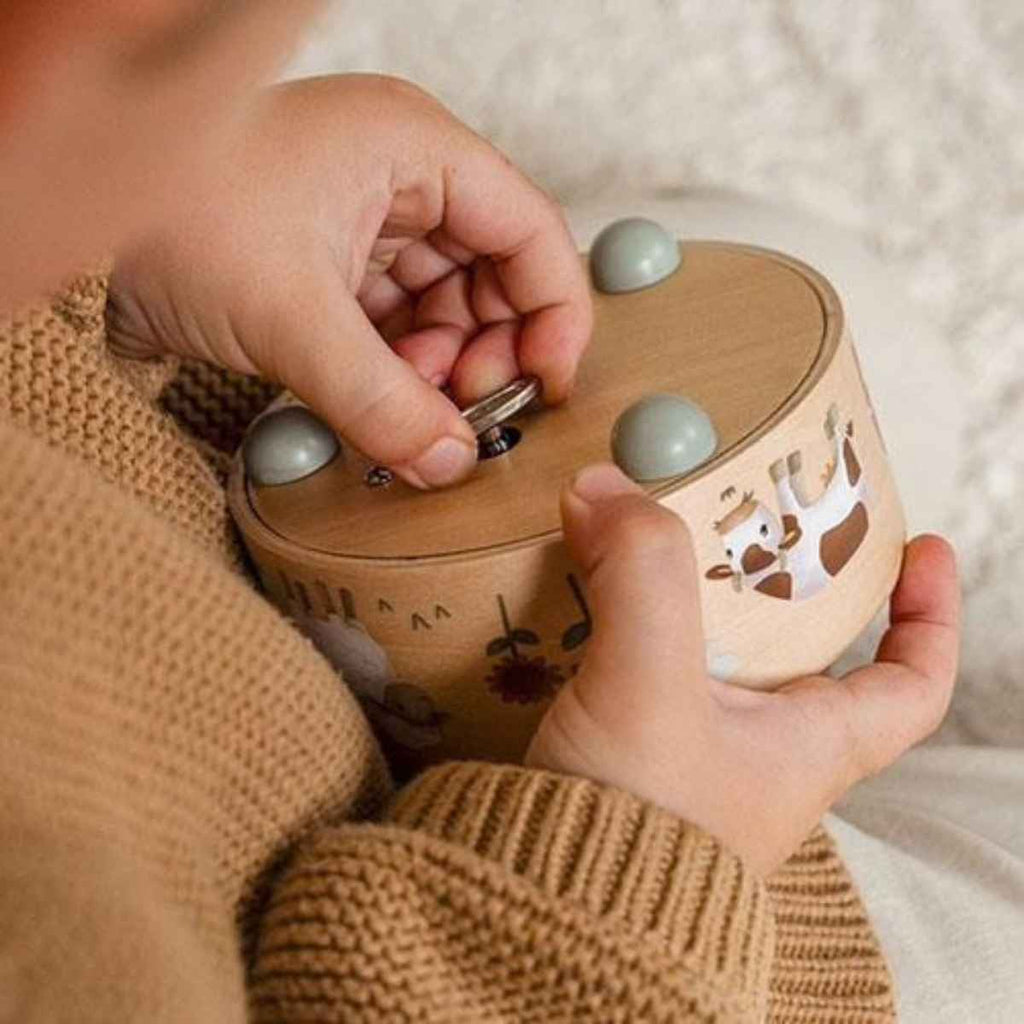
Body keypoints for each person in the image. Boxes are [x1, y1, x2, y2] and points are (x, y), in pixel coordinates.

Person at [0, 5, 1006, 1022]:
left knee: (868, 325)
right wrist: (628, 850)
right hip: (563, 928)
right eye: (190, 68)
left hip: (316, 649)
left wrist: (118, 254)